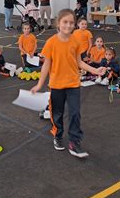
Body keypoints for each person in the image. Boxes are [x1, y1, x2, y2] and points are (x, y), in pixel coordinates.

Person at [30, 9, 105, 158]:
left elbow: (79, 62)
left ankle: (74, 142)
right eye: (65, 22)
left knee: (75, 113)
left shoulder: (75, 41)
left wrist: (95, 71)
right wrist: (39, 85)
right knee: (57, 114)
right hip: (56, 85)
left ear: (75, 24)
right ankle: (57, 136)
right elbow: (45, 65)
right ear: (58, 23)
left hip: (73, 84)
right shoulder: (51, 42)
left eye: (71, 22)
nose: (68, 25)